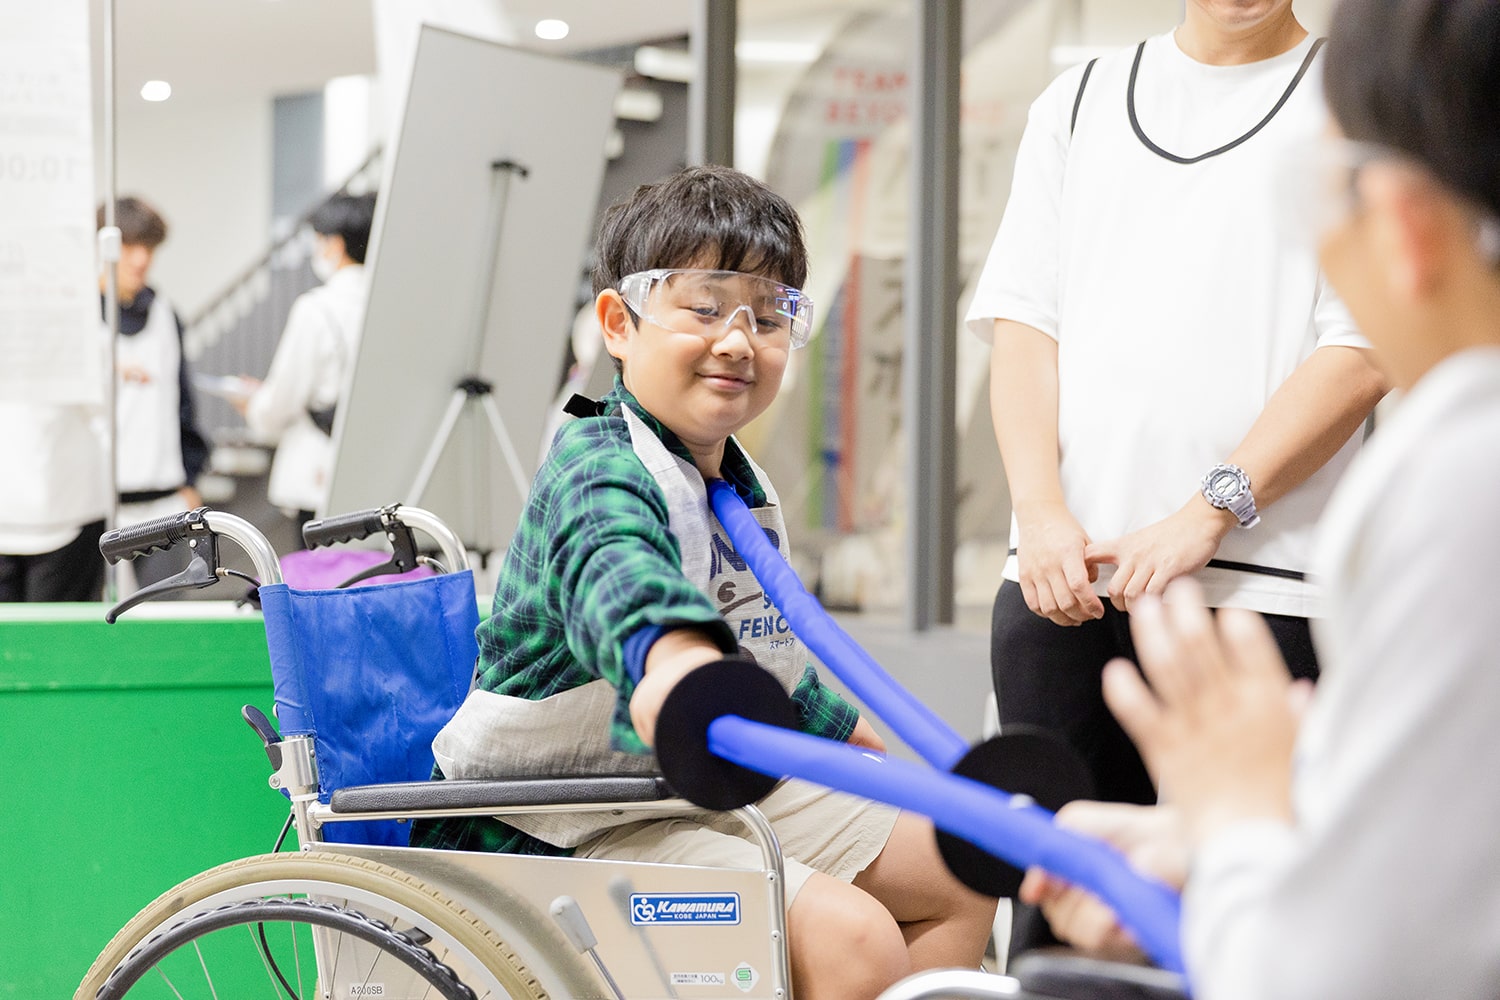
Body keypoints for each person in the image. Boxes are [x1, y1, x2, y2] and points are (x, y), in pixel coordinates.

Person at [412, 165, 997, 1000]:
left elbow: (766, 653)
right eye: (705, 308)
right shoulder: (597, 468)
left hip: (683, 792)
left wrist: (847, 734)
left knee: (968, 857)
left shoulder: (734, 481)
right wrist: (675, 662)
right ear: (619, 322)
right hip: (551, 823)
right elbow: (623, 578)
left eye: (768, 317)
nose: (737, 339)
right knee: (854, 940)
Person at [1018, 1, 1500, 996]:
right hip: (1083, 585)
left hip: (1254, 594)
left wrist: (1235, 819)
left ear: (1402, 226)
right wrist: (1202, 839)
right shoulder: (1078, 104)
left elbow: (1333, 966)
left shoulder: (1455, 480)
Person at [965, 0, 1388, 812]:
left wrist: (1207, 513)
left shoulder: (1355, 106)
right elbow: (1024, 324)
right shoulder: (1078, 100)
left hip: (1258, 589)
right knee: (1058, 904)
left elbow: (1363, 351)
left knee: (1236, 903)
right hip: (1062, 583)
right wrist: (1040, 513)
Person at [239, 192, 376, 534]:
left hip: (318, 475)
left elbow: (283, 400)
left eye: (318, 240)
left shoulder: (317, 308)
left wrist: (254, 404)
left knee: (321, 578)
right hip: (375, 471)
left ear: (334, 244)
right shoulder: (387, 302)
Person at [104, 196, 210, 592]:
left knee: (163, 617)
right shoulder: (80, 320)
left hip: (164, 503)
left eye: (148, 248)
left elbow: (182, 402)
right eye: (130, 247)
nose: (140, 259)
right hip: (100, 506)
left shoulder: (166, 314)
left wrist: (190, 474)